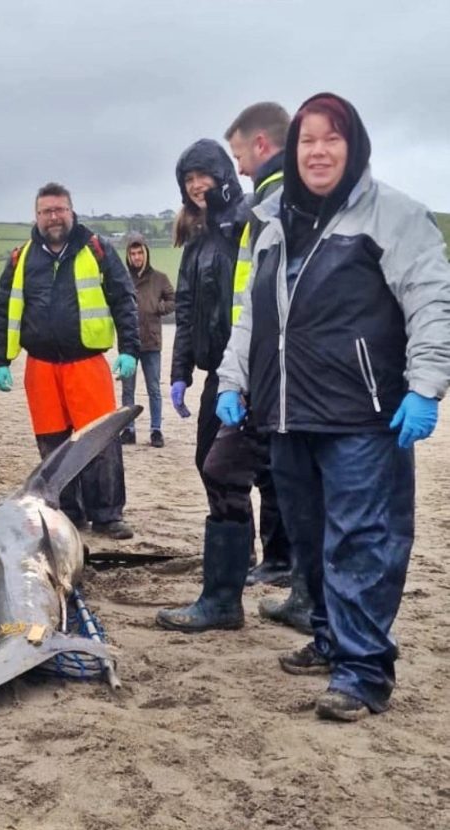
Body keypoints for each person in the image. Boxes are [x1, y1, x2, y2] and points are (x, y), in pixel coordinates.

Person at [217, 92, 450, 721]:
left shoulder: (393, 216)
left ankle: (364, 672)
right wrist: (233, 380)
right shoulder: (273, 223)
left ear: (354, 146)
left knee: (363, 542)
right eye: (307, 141)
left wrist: (426, 387)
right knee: (314, 541)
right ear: (292, 152)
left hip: (363, 416)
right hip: (289, 414)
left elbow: (432, 301)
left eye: (332, 139)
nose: (318, 152)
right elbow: (254, 316)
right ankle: (328, 641)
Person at [0, 183, 141, 539]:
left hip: (87, 362)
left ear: (72, 212)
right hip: (40, 365)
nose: (53, 217)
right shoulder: (21, 258)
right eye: (46, 211)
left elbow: (123, 299)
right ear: (36, 216)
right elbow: (1, 309)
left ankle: (107, 514)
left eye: (59, 210)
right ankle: (67, 511)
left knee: (99, 440)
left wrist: (130, 349)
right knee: (52, 443)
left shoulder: (97, 250)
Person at [156, 140, 248, 631]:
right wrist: (179, 372)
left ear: (222, 174)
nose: (195, 185)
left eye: (202, 175)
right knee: (211, 467)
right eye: (187, 178)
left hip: (256, 373)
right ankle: (229, 591)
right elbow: (187, 311)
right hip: (218, 374)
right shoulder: (197, 240)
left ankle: (234, 593)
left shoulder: (244, 226)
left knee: (246, 474)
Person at [119, 235, 175, 448]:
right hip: (128, 344)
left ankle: (156, 430)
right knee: (127, 390)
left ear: (146, 253)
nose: (136, 257)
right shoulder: (122, 278)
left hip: (152, 341)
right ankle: (128, 429)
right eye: (132, 254)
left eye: (140, 252)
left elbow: (173, 299)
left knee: (154, 389)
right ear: (128, 256)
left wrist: (158, 308)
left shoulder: (159, 278)